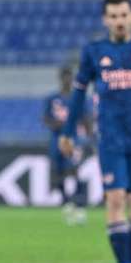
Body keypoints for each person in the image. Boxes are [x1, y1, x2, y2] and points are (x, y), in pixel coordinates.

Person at [61, 0, 131, 263]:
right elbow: (79, 94)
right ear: (106, 19)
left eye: (123, 15)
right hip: (110, 139)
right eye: (113, 16)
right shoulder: (95, 51)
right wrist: (68, 131)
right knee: (116, 198)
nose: (119, 21)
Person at [43, 65, 91, 225]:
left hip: (73, 140)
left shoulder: (78, 98)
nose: (67, 80)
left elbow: (86, 118)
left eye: (69, 76)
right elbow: (45, 119)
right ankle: (67, 202)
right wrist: (58, 124)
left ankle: (79, 204)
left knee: (75, 170)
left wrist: (90, 135)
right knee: (58, 171)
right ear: (60, 78)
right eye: (65, 76)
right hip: (56, 139)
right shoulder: (52, 98)